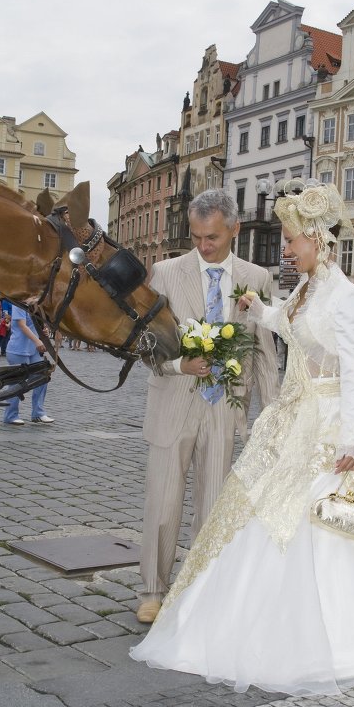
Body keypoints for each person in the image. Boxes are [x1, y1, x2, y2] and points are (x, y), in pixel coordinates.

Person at [130, 181, 354, 695]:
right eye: (284, 241)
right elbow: (283, 323)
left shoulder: (348, 299)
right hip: (290, 418)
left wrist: (352, 441)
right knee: (256, 513)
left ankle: (328, 635)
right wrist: (254, 309)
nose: (285, 249)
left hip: (325, 425)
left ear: (317, 240)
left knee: (312, 524)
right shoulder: (307, 289)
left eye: (291, 241)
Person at [137, 189, 279, 624]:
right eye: (197, 237)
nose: (203, 245)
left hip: (225, 407)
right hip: (173, 401)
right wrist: (180, 362)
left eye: (212, 237)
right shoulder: (163, 273)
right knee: (162, 504)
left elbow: (264, 352)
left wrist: (273, 415)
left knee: (212, 505)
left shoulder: (256, 279)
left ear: (234, 229)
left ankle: (200, 588)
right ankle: (152, 591)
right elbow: (142, 341)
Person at [2, 305, 54, 426]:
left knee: (42, 378)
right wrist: (37, 341)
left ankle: (38, 413)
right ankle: (10, 415)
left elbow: (37, 325)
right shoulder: (18, 304)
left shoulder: (36, 306)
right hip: (18, 349)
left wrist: (43, 331)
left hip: (32, 350)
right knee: (16, 383)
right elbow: (22, 325)